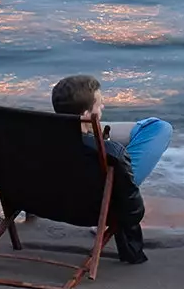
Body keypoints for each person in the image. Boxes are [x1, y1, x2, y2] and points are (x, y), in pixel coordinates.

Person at [49, 74, 171, 265]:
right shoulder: (109, 152)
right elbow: (131, 207)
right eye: (99, 104)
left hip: (46, 203)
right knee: (161, 128)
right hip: (97, 208)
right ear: (87, 113)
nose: (103, 107)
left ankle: (81, 126)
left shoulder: (37, 142)